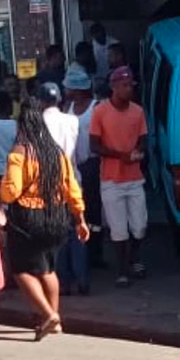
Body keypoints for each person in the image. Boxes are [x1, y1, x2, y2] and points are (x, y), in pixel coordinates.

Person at [0, 98, 89, 341]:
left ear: (21, 127)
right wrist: (80, 219)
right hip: (57, 217)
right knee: (48, 268)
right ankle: (55, 321)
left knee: (21, 270)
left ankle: (49, 314)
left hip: (28, 220)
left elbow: (11, 192)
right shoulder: (57, 153)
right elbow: (73, 189)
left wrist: (0, 183)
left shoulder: (20, 152)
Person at [90, 67, 148, 288]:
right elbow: (94, 145)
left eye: (130, 84)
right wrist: (120, 155)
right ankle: (123, 269)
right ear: (114, 87)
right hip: (111, 179)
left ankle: (134, 256)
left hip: (134, 178)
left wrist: (138, 151)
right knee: (117, 228)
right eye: (124, 85)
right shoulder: (100, 112)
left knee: (140, 226)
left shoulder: (138, 111)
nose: (129, 88)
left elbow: (143, 138)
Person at [36, 82, 87, 296]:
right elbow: (82, 154)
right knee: (78, 229)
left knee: (56, 235)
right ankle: (83, 280)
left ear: (40, 101)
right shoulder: (72, 120)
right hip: (73, 179)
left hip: (47, 184)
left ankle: (63, 282)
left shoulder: (36, 123)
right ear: (60, 100)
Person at [63, 63, 106, 271]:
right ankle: (83, 253)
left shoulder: (96, 107)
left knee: (94, 211)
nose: (66, 91)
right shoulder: (67, 109)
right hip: (73, 166)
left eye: (69, 87)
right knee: (79, 210)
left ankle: (95, 252)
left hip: (92, 164)